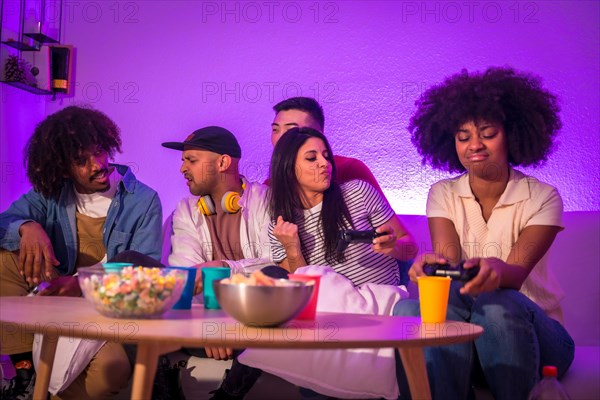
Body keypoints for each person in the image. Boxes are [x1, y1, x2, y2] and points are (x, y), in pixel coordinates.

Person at [393, 67, 575, 399]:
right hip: (472, 333)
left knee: (497, 301)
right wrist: (430, 269)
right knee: (409, 309)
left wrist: (493, 269)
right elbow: (449, 264)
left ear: (513, 134)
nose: (474, 145)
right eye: (463, 137)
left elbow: (515, 274)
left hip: (539, 335)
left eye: (487, 133)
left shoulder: (543, 197)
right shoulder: (443, 193)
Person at [0, 106, 162, 399]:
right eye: (82, 161)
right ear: (63, 168)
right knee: (3, 259)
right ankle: (25, 375)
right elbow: (3, 224)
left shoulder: (143, 200)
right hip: (53, 298)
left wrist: (83, 284)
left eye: (99, 151)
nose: (98, 164)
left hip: (104, 309)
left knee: (111, 371)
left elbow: (144, 272)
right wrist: (27, 227)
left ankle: (48, 391)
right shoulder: (50, 193)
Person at [161, 126, 272, 399]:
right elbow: (187, 278)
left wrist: (223, 267)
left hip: (251, 328)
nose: (182, 168)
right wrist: (212, 325)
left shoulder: (265, 201)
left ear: (222, 162)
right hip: (203, 331)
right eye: (183, 161)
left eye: (192, 160)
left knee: (275, 295)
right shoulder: (186, 211)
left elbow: (274, 268)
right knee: (130, 264)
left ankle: (227, 396)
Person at [269, 126, 417, 283]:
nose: (324, 163)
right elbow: (303, 293)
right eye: (312, 158)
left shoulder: (358, 192)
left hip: (383, 301)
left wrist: (394, 247)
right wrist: (292, 249)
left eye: (326, 156)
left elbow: (411, 249)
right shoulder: (280, 228)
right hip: (331, 306)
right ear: (288, 169)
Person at [268, 96, 385, 194]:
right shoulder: (268, 187)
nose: (280, 138)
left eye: (291, 130)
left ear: (317, 135)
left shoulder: (349, 169)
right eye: (275, 130)